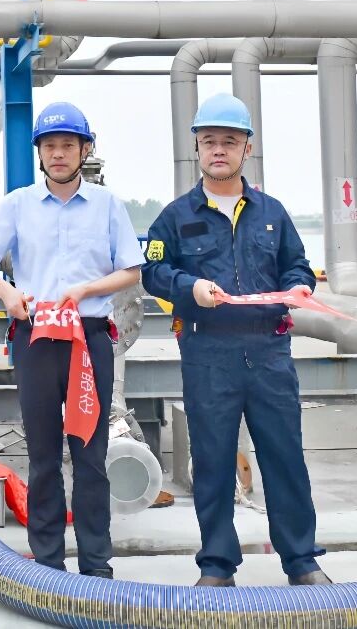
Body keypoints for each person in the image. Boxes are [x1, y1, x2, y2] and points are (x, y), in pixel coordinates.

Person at [141, 92, 330, 587]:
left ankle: (302, 561)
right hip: (208, 352)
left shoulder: (273, 213)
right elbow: (153, 272)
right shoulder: (175, 217)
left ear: (248, 148)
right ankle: (217, 565)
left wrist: (300, 286)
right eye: (209, 141)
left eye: (229, 141)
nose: (219, 149)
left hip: (268, 351)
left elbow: (297, 264)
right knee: (213, 460)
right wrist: (190, 288)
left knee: (284, 456)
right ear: (197, 149)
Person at [0, 102, 143, 578]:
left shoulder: (107, 205)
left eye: (68, 145)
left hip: (90, 339)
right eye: (50, 146)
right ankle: (47, 563)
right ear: (39, 153)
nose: (58, 154)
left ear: (85, 150)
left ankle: (96, 563)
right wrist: (7, 294)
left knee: (91, 454)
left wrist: (86, 290)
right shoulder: (18, 204)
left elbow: (130, 269)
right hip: (37, 338)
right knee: (42, 453)